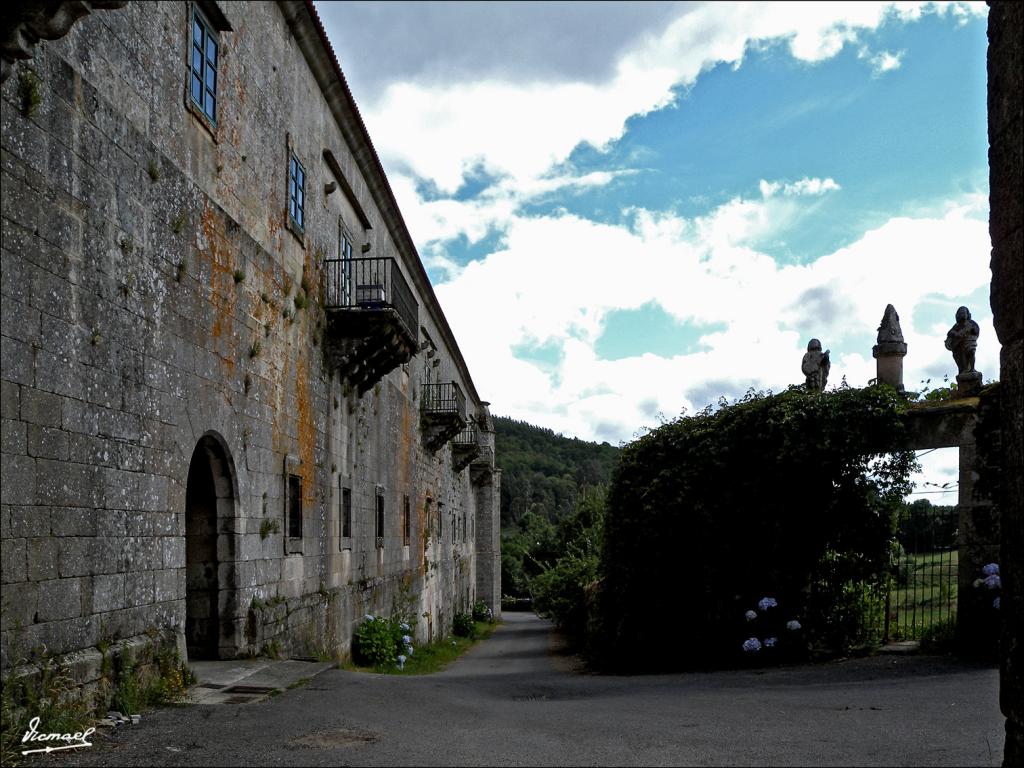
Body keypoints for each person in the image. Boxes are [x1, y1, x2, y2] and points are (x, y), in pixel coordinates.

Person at [944, 306, 980, 374]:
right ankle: (965, 369)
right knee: (962, 356)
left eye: (964, 313)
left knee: (972, 352)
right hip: (961, 345)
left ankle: (972, 368)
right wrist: (955, 333)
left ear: (967, 314)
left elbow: (976, 330)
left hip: (970, 342)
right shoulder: (957, 325)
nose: (963, 315)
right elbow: (950, 332)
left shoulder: (971, 323)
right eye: (961, 313)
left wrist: (973, 330)